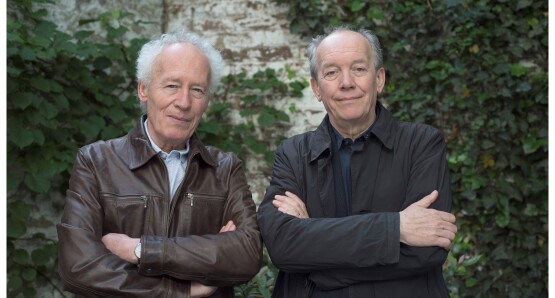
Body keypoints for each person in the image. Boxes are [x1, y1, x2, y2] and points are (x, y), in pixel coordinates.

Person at [57, 30, 262, 297]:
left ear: (207, 101)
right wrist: (182, 290)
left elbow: (246, 256)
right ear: (144, 89)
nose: (184, 102)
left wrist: (140, 250)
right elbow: (79, 267)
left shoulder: (224, 169)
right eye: (172, 86)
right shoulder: (96, 162)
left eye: (197, 90)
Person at [257, 26, 457, 297]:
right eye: (331, 72)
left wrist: (315, 264)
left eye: (359, 69)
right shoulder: (292, 154)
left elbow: (427, 250)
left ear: (379, 79)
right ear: (316, 88)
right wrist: (395, 227)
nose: (346, 82)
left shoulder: (421, 144)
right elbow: (283, 247)